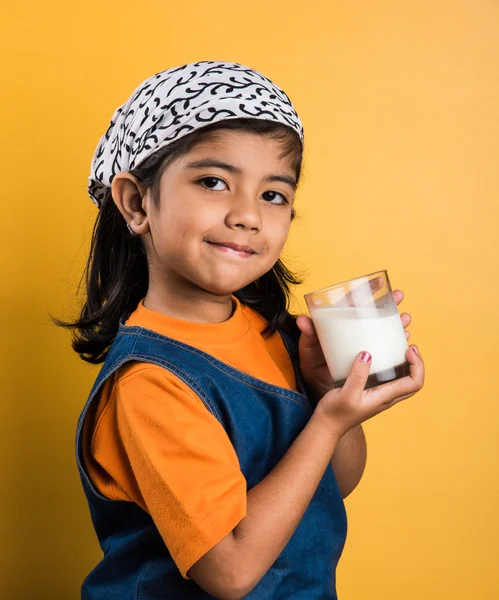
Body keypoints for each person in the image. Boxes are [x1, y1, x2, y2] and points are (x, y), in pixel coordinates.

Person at [53, 60, 425, 600]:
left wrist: (331, 399)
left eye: (273, 194)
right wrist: (325, 424)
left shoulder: (267, 332)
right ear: (137, 203)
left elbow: (333, 485)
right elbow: (229, 573)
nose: (248, 215)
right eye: (214, 182)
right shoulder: (149, 384)